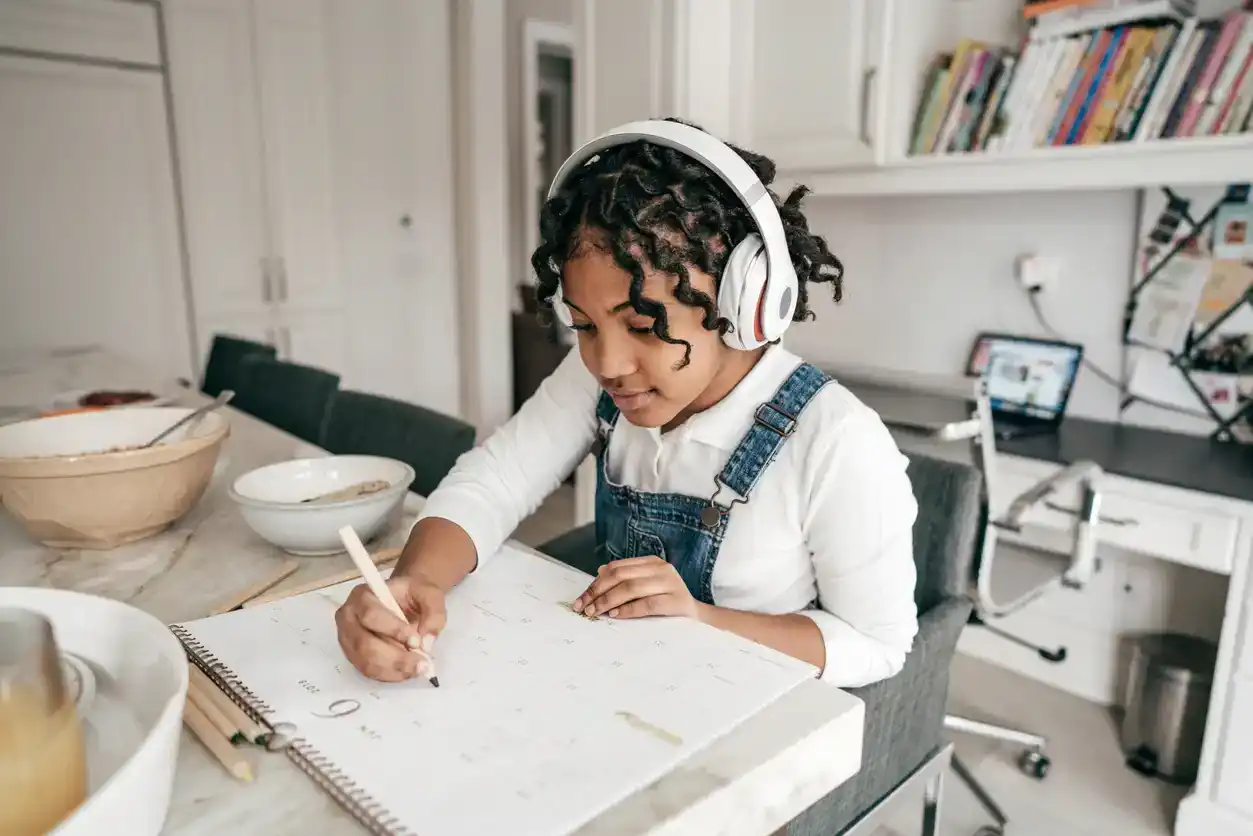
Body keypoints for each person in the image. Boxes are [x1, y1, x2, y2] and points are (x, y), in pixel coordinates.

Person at [334, 118, 919, 689]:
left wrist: (702, 619)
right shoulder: (604, 379)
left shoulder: (836, 440)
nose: (607, 363)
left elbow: (877, 644)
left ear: (746, 301)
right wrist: (416, 579)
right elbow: (497, 480)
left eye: (643, 325)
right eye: (585, 326)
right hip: (624, 690)